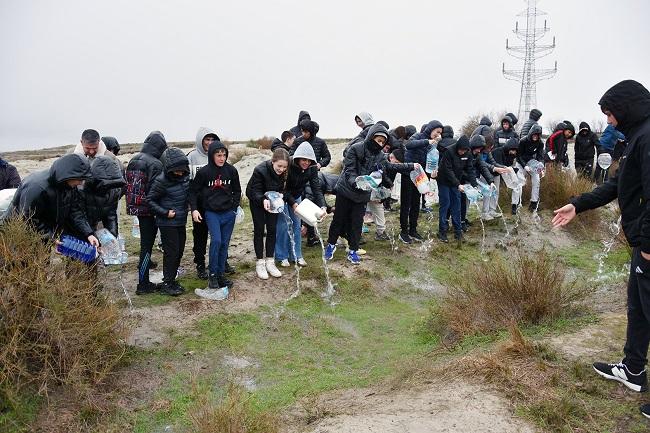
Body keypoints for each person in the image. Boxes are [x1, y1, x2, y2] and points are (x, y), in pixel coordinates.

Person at [551, 79, 650, 419]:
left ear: (625, 108)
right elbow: (617, 185)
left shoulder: (649, 136)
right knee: (637, 307)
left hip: (649, 243)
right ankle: (633, 370)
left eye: (609, 113)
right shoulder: (636, 136)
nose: (608, 120)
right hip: (641, 241)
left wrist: (649, 245)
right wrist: (577, 204)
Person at [324, 124, 415, 264]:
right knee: (339, 219)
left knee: (357, 222)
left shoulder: (380, 156)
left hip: (363, 193)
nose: (380, 144)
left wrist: (411, 166)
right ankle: (330, 245)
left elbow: (390, 166)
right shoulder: (355, 149)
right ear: (370, 137)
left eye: (382, 142)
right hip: (346, 190)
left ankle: (353, 250)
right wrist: (356, 182)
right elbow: (349, 170)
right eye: (378, 140)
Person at [8, 153, 98, 247]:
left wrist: (89, 233)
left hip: (44, 231)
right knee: (25, 260)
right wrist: (50, 237)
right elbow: (28, 219)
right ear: (69, 174)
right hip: (18, 233)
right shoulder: (37, 187)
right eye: (80, 179)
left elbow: (75, 211)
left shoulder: (69, 185)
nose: (81, 183)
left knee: (43, 259)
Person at [190, 140, 241, 291]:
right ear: (212, 155)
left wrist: (234, 207)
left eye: (224, 155)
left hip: (228, 213)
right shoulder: (204, 172)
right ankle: (212, 275)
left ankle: (220, 275)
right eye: (218, 155)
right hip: (211, 213)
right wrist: (194, 209)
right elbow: (193, 191)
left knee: (225, 243)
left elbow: (237, 190)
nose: (221, 158)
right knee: (216, 241)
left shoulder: (231, 171)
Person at [125, 131, 168, 295]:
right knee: (146, 246)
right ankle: (143, 284)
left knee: (145, 245)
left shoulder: (133, 159)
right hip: (150, 210)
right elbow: (157, 190)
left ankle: (144, 278)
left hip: (136, 208)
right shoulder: (155, 164)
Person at [146, 148, 190, 296]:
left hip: (180, 221)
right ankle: (167, 283)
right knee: (171, 252)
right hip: (167, 223)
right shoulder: (161, 180)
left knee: (179, 251)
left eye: (182, 170)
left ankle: (172, 279)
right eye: (176, 171)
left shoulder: (185, 177)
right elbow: (150, 200)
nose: (179, 173)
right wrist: (165, 212)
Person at [276, 143, 326, 267]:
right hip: (282, 196)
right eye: (304, 159)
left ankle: (296, 255)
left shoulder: (312, 168)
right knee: (283, 225)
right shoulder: (288, 165)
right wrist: (293, 204)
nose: (306, 163)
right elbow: (283, 188)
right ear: (298, 158)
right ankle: (282, 256)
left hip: (297, 195)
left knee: (296, 225)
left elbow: (316, 188)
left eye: (309, 161)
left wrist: (323, 206)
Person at [246, 149, 289, 279]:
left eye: (284, 167)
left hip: (273, 201)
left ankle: (270, 261)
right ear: (272, 162)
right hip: (257, 201)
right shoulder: (260, 170)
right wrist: (263, 200)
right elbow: (254, 191)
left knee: (272, 229)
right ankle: (260, 262)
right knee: (259, 230)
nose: (281, 169)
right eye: (279, 166)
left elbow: (283, 189)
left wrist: (281, 195)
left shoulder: (284, 172)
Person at [401, 120, 443, 243]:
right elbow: (408, 145)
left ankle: (413, 230)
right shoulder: (419, 136)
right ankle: (403, 232)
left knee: (416, 203)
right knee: (406, 204)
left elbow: (430, 161)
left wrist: (432, 172)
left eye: (440, 133)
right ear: (431, 129)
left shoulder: (433, 145)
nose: (438, 135)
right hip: (408, 174)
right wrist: (427, 141)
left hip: (420, 177)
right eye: (437, 132)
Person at [76, 156, 125, 239]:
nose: (108, 189)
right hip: (77, 230)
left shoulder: (114, 190)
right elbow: (79, 217)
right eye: (106, 186)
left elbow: (111, 216)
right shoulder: (80, 190)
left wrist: (112, 236)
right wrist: (90, 235)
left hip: (92, 226)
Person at [437, 135, 474, 242]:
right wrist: (458, 184)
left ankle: (458, 232)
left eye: (464, 151)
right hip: (444, 181)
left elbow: (470, 169)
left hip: (455, 182)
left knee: (456, 206)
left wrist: (474, 184)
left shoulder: (468, 154)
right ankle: (442, 232)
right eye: (461, 150)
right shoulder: (449, 151)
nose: (462, 152)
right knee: (445, 204)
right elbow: (448, 170)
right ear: (458, 146)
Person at [516, 124, 544, 211]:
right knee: (519, 181)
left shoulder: (540, 143)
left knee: (536, 179)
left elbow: (540, 156)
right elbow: (519, 156)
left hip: (531, 162)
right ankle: (516, 202)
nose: (535, 137)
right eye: (534, 134)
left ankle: (534, 202)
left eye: (537, 135)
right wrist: (524, 166)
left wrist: (541, 167)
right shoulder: (523, 141)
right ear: (531, 133)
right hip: (520, 162)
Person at [492, 137, 521, 215]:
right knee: (493, 192)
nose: (514, 152)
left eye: (515, 150)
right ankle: (488, 211)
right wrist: (511, 170)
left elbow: (508, 165)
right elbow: (499, 165)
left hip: (500, 172)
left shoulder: (511, 155)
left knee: (516, 185)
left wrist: (513, 170)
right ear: (508, 148)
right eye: (512, 150)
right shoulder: (498, 151)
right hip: (492, 173)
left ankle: (493, 210)